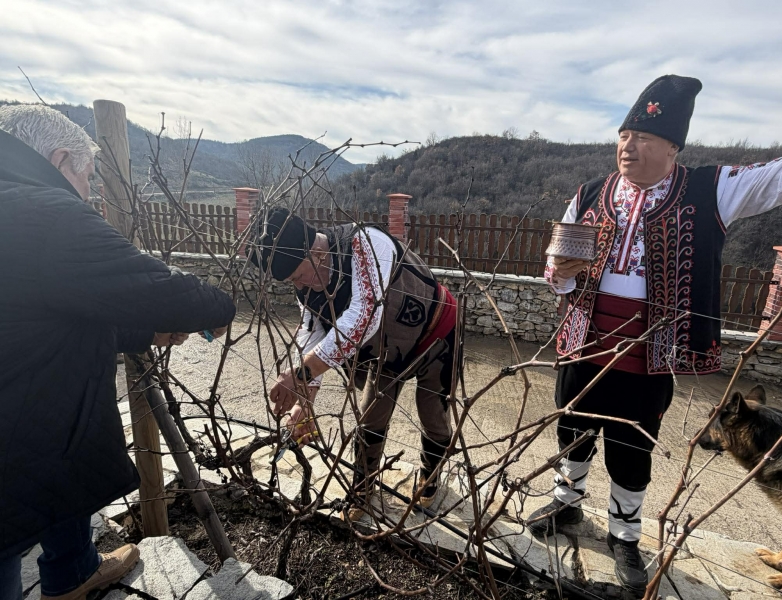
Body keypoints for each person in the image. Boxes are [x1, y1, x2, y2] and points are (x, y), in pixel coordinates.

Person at [524, 74, 782, 595]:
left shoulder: (711, 188)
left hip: (649, 351)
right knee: (573, 427)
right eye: (624, 135)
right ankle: (566, 504)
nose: (629, 147)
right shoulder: (589, 193)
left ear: (673, 147)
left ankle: (624, 535)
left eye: (645, 138)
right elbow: (554, 270)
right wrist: (559, 272)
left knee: (631, 445)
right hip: (584, 340)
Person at [0, 105, 236, 600]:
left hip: (31, 401)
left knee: (59, 463)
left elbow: (42, 312)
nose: (88, 193)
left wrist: (142, 332)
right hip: (14, 427)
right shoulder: (46, 211)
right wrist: (218, 308)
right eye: (87, 177)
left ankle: (74, 572)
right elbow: (153, 287)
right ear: (59, 160)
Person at [252, 208, 457, 520]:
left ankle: (431, 476)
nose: (299, 285)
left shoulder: (365, 244)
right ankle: (362, 487)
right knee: (370, 418)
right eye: (292, 281)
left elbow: (363, 317)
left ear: (316, 252)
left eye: (298, 276)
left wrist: (300, 375)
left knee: (433, 415)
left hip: (436, 333)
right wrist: (304, 401)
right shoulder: (306, 286)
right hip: (387, 352)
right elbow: (312, 332)